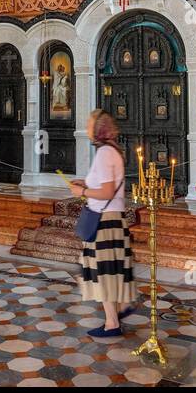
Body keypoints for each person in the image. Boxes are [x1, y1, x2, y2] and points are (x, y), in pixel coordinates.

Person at [67, 111, 136, 338]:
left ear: (98, 128)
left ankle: (112, 322)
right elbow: (105, 183)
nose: (86, 126)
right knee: (109, 272)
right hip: (109, 218)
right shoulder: (110, 150)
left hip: (105, 221)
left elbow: (106, 191)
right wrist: (84, 183)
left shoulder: (106, 153)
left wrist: (82, 191)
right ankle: (120, 308)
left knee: (104, 273)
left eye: (89, 122)